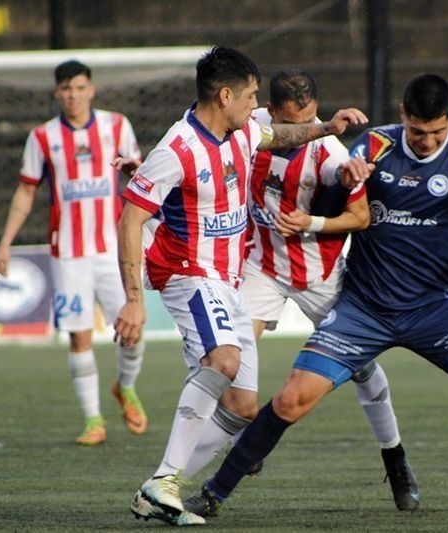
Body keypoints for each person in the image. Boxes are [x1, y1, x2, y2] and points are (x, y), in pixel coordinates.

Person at [186, 73, 448, 519]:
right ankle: (213, 494)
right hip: (362, 309)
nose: (427, 142)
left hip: (435, 310)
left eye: (438, 132)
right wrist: (347, 177)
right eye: (419, 131)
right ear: (403, 115)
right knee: (290, 399)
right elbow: (339, 190)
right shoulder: (374, 147)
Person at [113, 47, 370, 526]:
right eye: (252, 95)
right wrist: (133, 302)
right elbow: (131, 221)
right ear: (225, 94)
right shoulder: (179, 149)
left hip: (229, 278)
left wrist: (329, 129)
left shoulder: (244, 129)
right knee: (224, 361)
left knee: (242, 407)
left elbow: (283, 133)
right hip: (188, 272)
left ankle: (155, 493)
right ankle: (167, 478)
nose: (258, 104)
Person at [174, 69, 418, 513]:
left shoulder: (327, 151)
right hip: (260, 269)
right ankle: (173, 477)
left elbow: (359, 215)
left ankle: (395, 457)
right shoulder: (247, 127)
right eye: (294, 122)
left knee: (363, 367)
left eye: (310, 119)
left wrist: (325, 207)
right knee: (228, 369)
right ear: (274, 112)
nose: (302, 132)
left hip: (320, 276)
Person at [0, 60, 147, 446]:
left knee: (132, 331)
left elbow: (139, 176)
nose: (72, 95)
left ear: (91, 89)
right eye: (65, 88)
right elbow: (26, 191)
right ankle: (93, 420)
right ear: (56, 93)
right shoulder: (42, 137)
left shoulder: (117, 126)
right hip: (69, 254)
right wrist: (5, 242)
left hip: (114, 250)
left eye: (79, 87)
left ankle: (125, 387)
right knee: (79, 338)